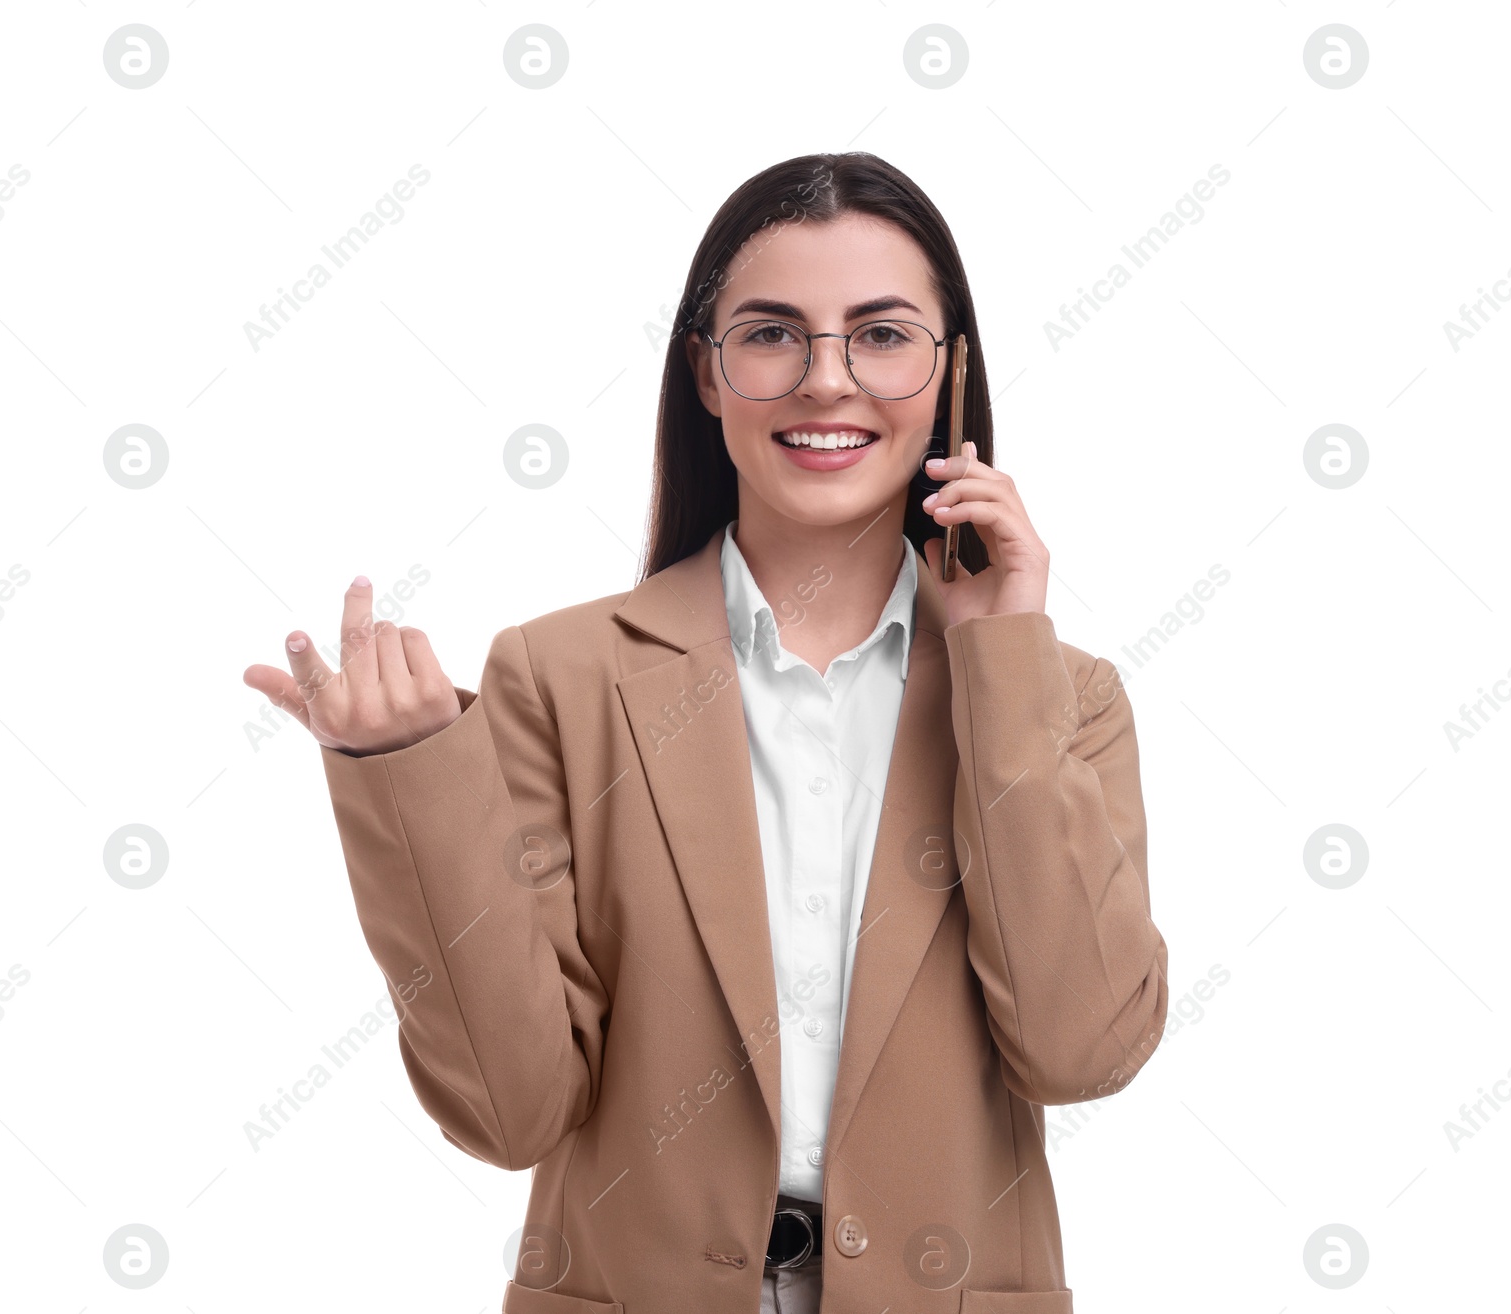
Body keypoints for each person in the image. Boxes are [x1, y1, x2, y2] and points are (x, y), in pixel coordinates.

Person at [243, 151, 1169, 1314]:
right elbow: (507, 1107)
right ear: (707, 373)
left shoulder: (1061, 695)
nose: (826, 381)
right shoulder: (561, 677)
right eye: (772, 334)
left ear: (951, 374)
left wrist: (1000, 659)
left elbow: (1079, 1051)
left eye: (882, 336)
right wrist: (404, 775)